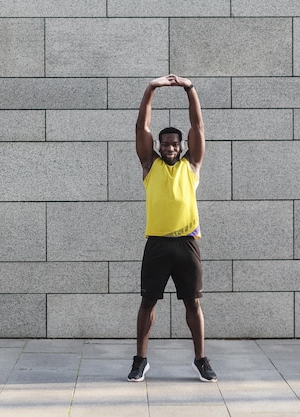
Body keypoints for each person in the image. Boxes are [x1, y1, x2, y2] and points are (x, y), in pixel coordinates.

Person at [127, 74, 217, 383]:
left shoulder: (190, 166)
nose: (169, 148)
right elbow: (142, 128)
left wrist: (190, 89)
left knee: (193, 303)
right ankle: (140, 360)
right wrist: (151, 89)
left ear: (181, 146)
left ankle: (201, 359)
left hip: (186, 243)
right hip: (157, 244)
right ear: (159, 146)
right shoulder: (149, 165)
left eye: (174, 144)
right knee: (147, 302)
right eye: (164, 144)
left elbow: (199, 128)